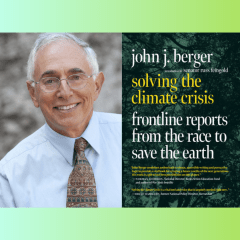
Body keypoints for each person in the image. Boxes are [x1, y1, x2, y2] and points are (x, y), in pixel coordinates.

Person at [0, 33, 122, 208]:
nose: (65, 92)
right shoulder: (10, 177)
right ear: (33, 93)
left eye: (76, 77)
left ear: (97, 86)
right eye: (50, 80)